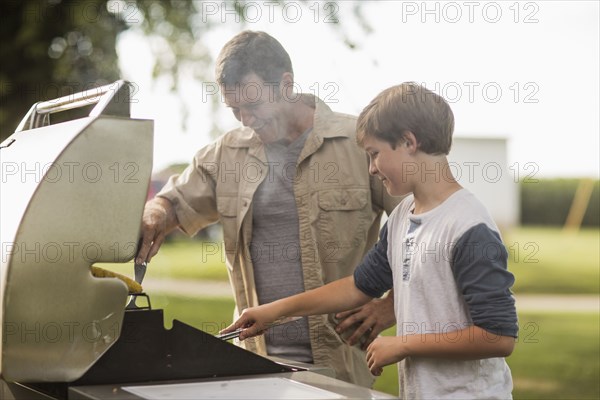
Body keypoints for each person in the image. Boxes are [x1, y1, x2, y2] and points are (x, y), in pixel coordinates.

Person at [221, 82, 519, 399]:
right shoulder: (404, 215)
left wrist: (404, 344)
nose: (372, 169)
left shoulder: (468, 226)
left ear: (408, 142)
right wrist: (271, 312)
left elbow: (497, 336)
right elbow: (357, 287)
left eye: (375, 154)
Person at [135, 30, 400, 387]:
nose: (246, 119)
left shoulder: (358, 142)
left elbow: (421, 228)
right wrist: (155, 214)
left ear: (286, 84)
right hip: (253, 365)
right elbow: (172, 202)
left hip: (341, 367)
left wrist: (390, 306)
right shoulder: (225, 155)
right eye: (235, 110)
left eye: (254, 106)